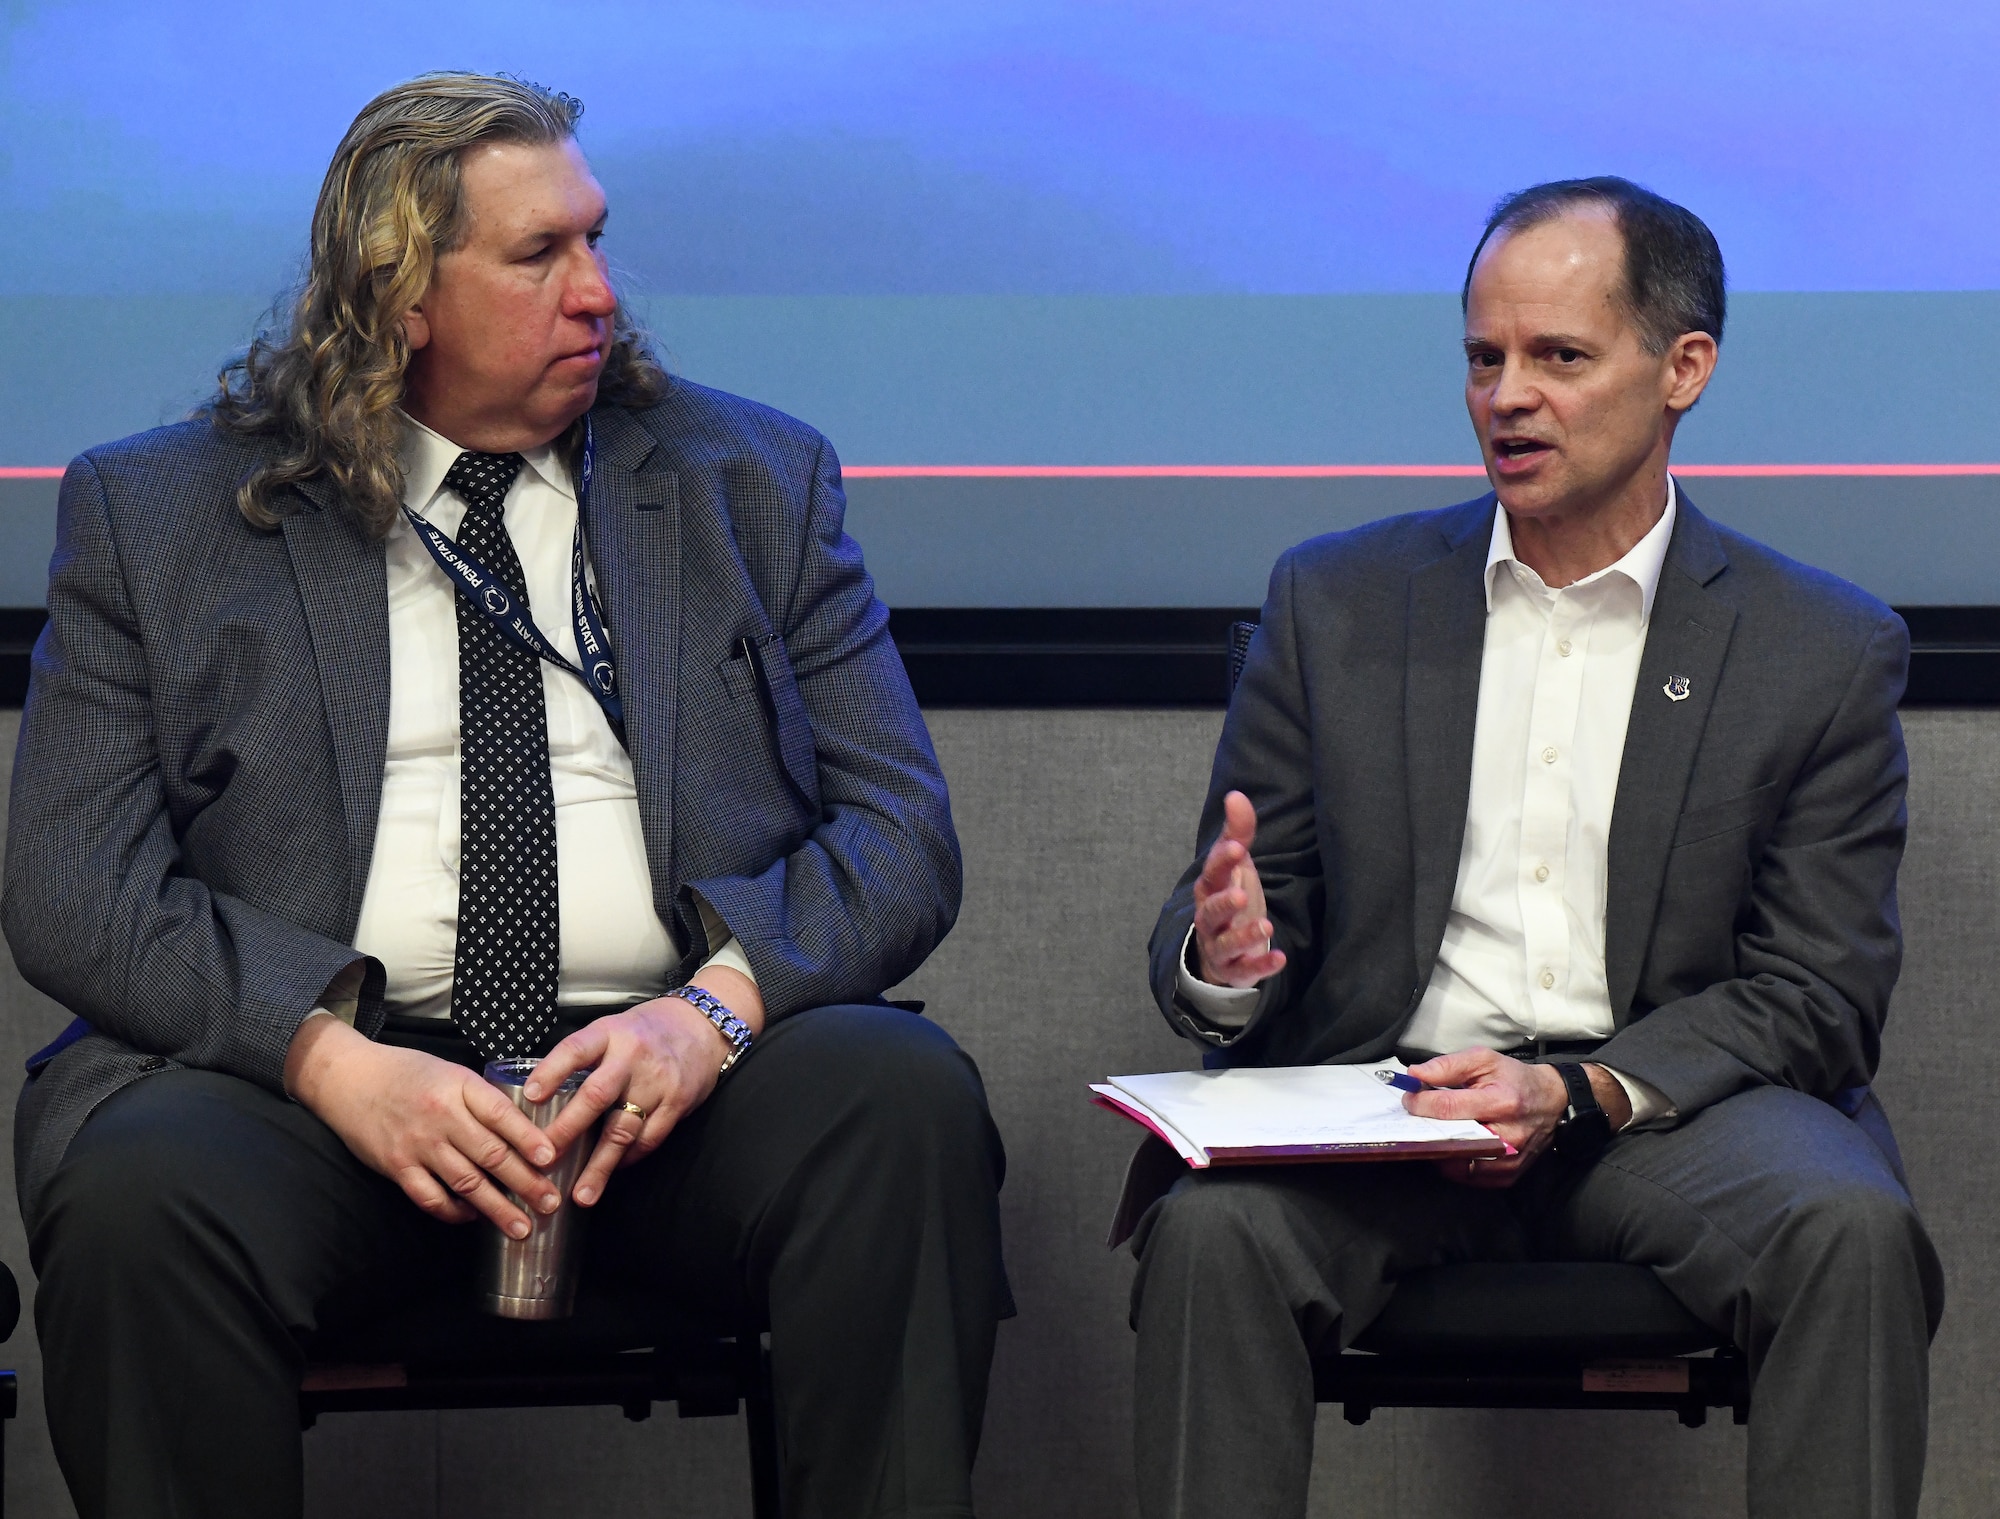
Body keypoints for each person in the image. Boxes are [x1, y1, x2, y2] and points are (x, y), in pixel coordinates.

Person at [5, 72, 1009, 1519]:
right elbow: (70, 887)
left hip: (663, 1090)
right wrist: (329, 1059)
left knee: (899, 1105)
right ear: (398, 289)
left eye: (595, 242)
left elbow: (901, 834)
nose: (599, 292)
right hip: (320, 1090)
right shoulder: (158, 515)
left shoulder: (752, 480)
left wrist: (709, 1014)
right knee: (136, 1197)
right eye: (541, 256)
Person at [1131, 177, 1943, 1519]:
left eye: (1559, 358)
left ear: (1685, 369)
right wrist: (1226, 959)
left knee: (1849, 1233)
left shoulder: (1819, 650)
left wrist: (1577, 1094)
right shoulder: (1334, 603)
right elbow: (1248, 911)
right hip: (1389, 1109)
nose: (1508, 396)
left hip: (1668, 1114)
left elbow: (1820, 994)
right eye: (1484, 358)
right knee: (1209, 1234)